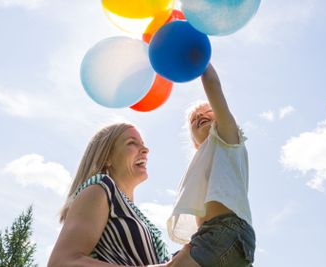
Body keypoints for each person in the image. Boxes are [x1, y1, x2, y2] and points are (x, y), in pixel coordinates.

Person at [167, 63, 256, 267]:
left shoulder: (228, 138)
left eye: (207, 111)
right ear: (194, 142)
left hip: (226, 230)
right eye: (194, 119)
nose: (200, 116)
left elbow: (214, 86)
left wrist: (200, 59)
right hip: (213, 237)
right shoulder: (203, 158)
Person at [47, 123, 171, 267]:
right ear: (107, 158)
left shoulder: (130, 209)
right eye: (132, 143)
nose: (145, 150)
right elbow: (62, 262)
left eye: (143, 144)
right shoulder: (101, 187)